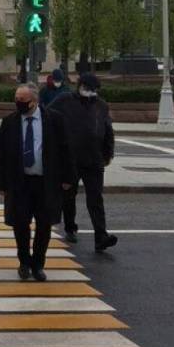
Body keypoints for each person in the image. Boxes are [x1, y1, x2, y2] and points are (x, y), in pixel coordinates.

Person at [0, 83, 75, 282]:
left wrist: (68, 178)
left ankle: (38, 264)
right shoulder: (9, 122)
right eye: (16, 100)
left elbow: (66, 150)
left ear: (35, 101)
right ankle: (24, 262)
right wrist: (1, 184)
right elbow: (1, 155)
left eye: (23, 101)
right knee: (20, 225)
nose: (19, 104)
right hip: (19, 183)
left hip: (45, 182)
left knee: (44, 225)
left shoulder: (54, 120)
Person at [49, 73, 118, 252]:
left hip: (94, 160)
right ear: (79, 86)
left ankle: (101, 236)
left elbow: (108, 129)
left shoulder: (101, 105)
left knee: (95, 199)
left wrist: (108, 153)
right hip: (70, 159)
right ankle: (70, 227)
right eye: (87, 88)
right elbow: (48, 116)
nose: (90, 92)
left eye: (94, 90)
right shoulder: (65, 100)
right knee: (68, 195)